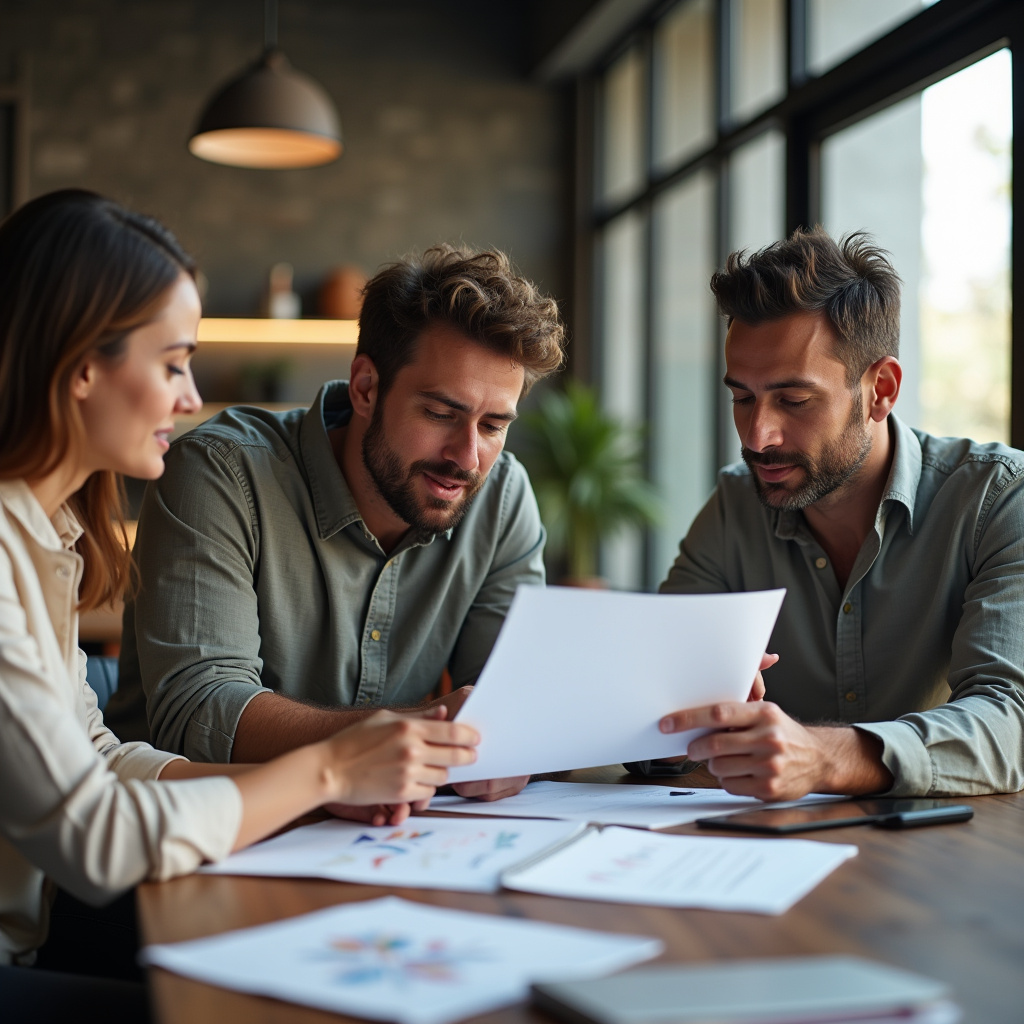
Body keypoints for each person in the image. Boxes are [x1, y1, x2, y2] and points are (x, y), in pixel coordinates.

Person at [0, 190, 480, 1009]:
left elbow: (102, 759)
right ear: (84, 366)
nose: (189, 397)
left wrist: (320, 792)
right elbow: (96, 838)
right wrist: (327, 766)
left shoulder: (45, 536)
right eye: (172, 361)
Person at [104, 242, 566, 801]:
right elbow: (201, 715)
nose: (467, 458)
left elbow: (511, 705)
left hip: (395, 843)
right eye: (442, 414)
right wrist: (417, 734)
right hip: (182, 839)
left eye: (493, 426)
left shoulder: (502, 495)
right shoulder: (221, 473)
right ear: (366, 388)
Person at [654, 227, 1024, 800]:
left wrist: (829, 756)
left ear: (881, 389)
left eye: (794, 401)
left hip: (953, 858)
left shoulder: (998, 500)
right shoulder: (735, 506)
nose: (758, 435)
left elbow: (1012, 720)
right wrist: (677, 713)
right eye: (742, 397)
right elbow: (651, 699)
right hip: (769, 850)